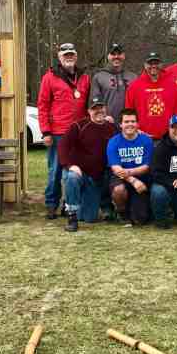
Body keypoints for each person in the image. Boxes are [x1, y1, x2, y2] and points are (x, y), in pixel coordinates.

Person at [37, 42, 91, 220]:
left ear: (76, 56)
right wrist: (45, 131)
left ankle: (69, 205)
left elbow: (89, 105)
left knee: (73, 171)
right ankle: (51, 204)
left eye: (71, 54)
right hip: (57, 133)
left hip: (78, 134)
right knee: (55, 171)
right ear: (59, 58)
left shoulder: (84, 78)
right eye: (65, 54)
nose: (69, 57)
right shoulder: (49, 77)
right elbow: (43, 105)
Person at [59, 97, 118, 232]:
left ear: (105, 109)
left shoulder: (112, 127)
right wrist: (69, 165)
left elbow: (124, 138)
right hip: (79, 173)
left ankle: (88, 206)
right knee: (72, 177)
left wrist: (138, 132)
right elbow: (62, 146)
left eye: (101, 108)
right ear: (88, 111)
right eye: (94, 109)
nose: (98, 111)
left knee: (89, 218)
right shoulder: (78, 126)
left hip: (95, 178)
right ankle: (71, 216)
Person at [106, 108, 154, 226]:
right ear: (120, 125)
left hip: (142, 177)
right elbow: (116, 168)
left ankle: (140, 209)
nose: (130, 124)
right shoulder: (113, 141)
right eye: (126, 122)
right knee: (119, 190)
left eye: (133, 121)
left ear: (137, 124)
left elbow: (147, 166)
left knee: (140, 220)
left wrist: (131, 174)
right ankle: (121, 212)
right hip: (121, 178)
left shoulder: (146, 140)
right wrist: (133, 180)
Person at [125, 52, 177, 143]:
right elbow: (128, 113)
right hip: (141, 137)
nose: (153, 66)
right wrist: (135, 130)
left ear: (162, 64)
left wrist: (175, 131)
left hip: (168, 138)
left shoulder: (173, 85)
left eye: (156, 63)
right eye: (150, 63)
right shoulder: (134, 87)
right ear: (144, 65)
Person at [91, 43, 137, 124]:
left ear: (124, 56)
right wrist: (103, 117)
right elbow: (94, 104)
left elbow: (139, 103)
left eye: (119, 54)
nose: (116, 57)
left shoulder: (133, 77)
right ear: (108, 56)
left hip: (129, 125)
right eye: (113, 54)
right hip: (107, 123)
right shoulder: (99, 77)